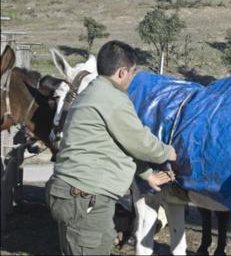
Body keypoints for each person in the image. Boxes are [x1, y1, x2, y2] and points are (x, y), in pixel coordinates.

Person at [45, 40, 177, 255]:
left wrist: (146, 175)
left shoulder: (92, 93)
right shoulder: (113, 99)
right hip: (86, 196)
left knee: (94, 244)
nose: (132, 79)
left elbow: (118, 145)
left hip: (76, 194)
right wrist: (167, 151)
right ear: (122, 72)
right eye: (133, 73)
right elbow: (140, 142)